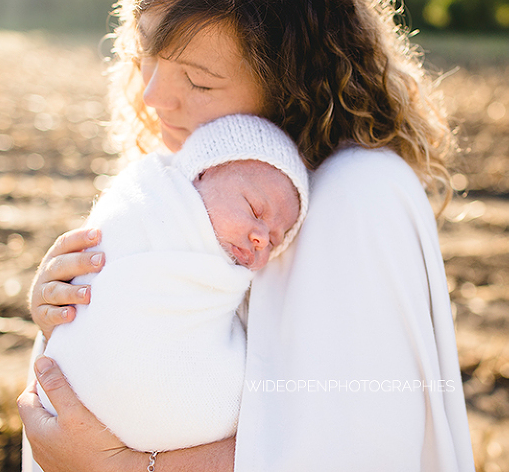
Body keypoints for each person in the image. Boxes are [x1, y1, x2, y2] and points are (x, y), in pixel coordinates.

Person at [17, 0, 476, 471]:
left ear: (291, 84)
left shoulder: (357, 192)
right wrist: (76, 315)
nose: (152, 96)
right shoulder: (198, 179)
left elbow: (354, 446)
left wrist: (122, 467)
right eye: (145, 51)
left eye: (198, 81)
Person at [36, 114, 309, 458]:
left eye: (275, 239)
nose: (260, 239)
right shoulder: (145, 202)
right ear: (204, 171)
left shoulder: (239, 277)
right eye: (255, 209)